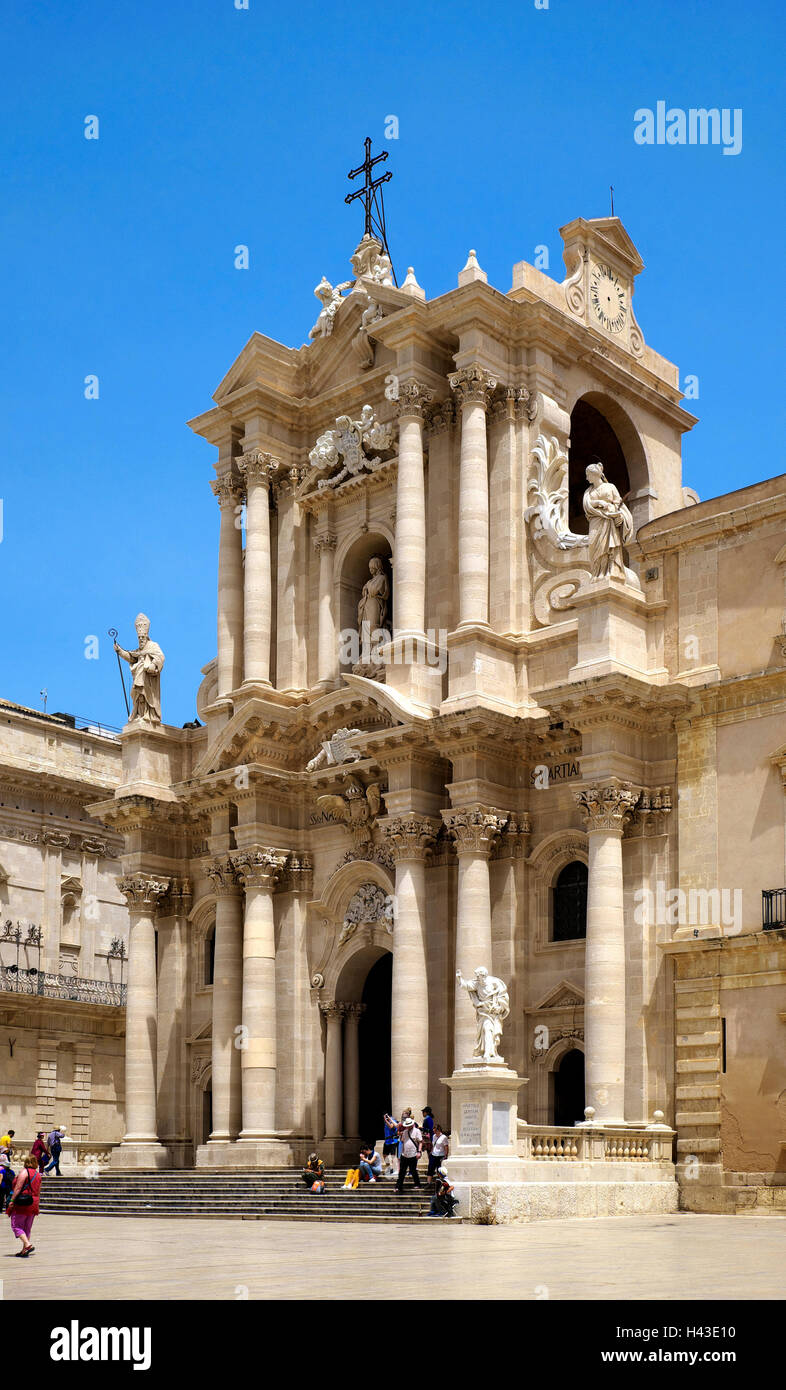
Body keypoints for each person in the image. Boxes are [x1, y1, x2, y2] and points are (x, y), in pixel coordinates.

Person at [6, 1153, 41, 1255]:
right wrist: (37, 1204)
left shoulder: (24, 1172)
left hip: (23, 1201)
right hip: (33, 1202)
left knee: (16, 1225)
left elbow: (18, 1188)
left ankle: (27, 1244)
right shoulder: (38, 1175)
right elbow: (38, 1191)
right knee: (27, 1227)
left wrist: (12, 1201)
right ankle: (24, 1250)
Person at [396, 1116, 422, 1192]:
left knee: (413, 1170)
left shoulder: (417, 1131)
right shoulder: (404, 1132)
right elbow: (403, 1142)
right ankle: (399, 1186)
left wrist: (419, 1152)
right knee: (402, 1172)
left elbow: (420, 1142)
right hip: (405, 1154)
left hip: (414, 1154)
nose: (408, 1127)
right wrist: (401, 1153)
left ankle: (417, 1184)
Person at [382, 1113, 400, 1179]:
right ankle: (389, 1168)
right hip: (387, 1141)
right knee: (384, 1155)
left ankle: (395, 1169)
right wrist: (385, 1120)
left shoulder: (392, 1120)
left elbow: (391, 1126)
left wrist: (386, 1120)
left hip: (392, 1141)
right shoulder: (386, 1122)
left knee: (393, 1156)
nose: (386, 1117)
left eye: (387, 1116)